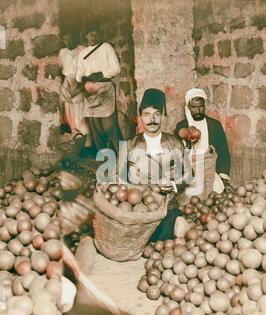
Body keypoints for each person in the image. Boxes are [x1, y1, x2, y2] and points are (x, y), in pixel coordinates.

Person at [124, 89, 191, 241]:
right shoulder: (129, 144)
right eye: (147, 114)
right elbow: (117, 176)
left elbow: (189, 174)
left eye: (157, 114)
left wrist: (173, 184)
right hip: (137, 205)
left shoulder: (174, 143)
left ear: (163, 116)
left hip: (165, 205)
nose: (152, 119)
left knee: (170, 218)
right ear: (140, 116)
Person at [76, 25, 123, 157]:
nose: (93, 36)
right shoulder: (83, 53)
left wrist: (101, 74)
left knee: (110, 125)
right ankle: (105, 158)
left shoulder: (106, 47)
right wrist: (85, 79)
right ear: (86, 35)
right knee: (96, 126)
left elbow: (116, 68)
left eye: (96, 34)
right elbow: (79, 74)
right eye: (90, 34)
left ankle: (122, 157)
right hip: (90, 91)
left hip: (104, 88)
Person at [175, 88, 231, 195]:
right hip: (189, 172)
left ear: (205, 106)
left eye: (201, 106)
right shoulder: (182, 126)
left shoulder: (215, 126)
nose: (198, 110)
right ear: (188, 108)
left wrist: (223, 176)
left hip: (210, 171)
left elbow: (223, 152)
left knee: (215, 194)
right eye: (194, 107)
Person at [58, 33, 88, 137]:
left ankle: (87, 141)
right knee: (70, 118)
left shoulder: (83, 50)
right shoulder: (63, 52)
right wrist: (65, 87)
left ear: (74, 37)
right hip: (67, 85)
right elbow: (60, 71)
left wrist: (79, 86)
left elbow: (87, 71)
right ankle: (78, 142)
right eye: (64, 39)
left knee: (79, 119)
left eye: (69, 39)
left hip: (79, 84)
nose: (67, 42)